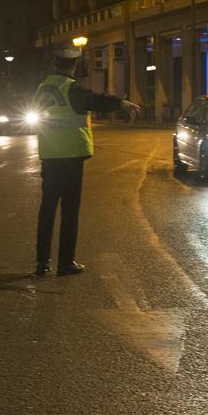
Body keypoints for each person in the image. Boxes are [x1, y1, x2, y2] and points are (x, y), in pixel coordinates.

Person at [33, 47, 139, 276]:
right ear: (73, 66)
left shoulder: (42, 88)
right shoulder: (71, 88)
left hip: (49, 155)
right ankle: (65, 262)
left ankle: (42, 262)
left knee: (47, 209)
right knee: (70, 211)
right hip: (70, 156)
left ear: (55, 64)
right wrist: (120, 103)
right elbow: (95, 100)